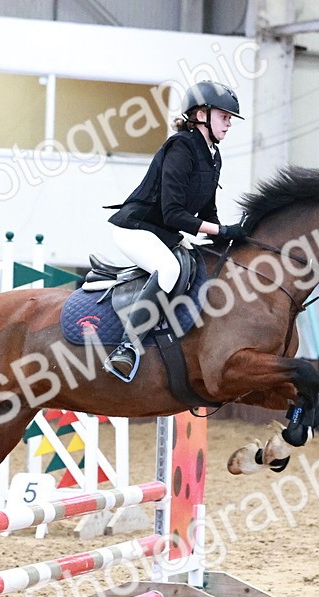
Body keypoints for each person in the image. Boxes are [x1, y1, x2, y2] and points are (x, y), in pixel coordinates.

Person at [102, 80, 247, 381]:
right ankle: (126, 348)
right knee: (168, 269)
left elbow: (208, 213)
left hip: (164, 233)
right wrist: (222, 230)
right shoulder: (181, 147)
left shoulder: (213, 155)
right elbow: (174, 213)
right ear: (200, 115)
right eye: (224, 116)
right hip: (136, 228)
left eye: (230, 118)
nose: (229, 123)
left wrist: (232, 237)